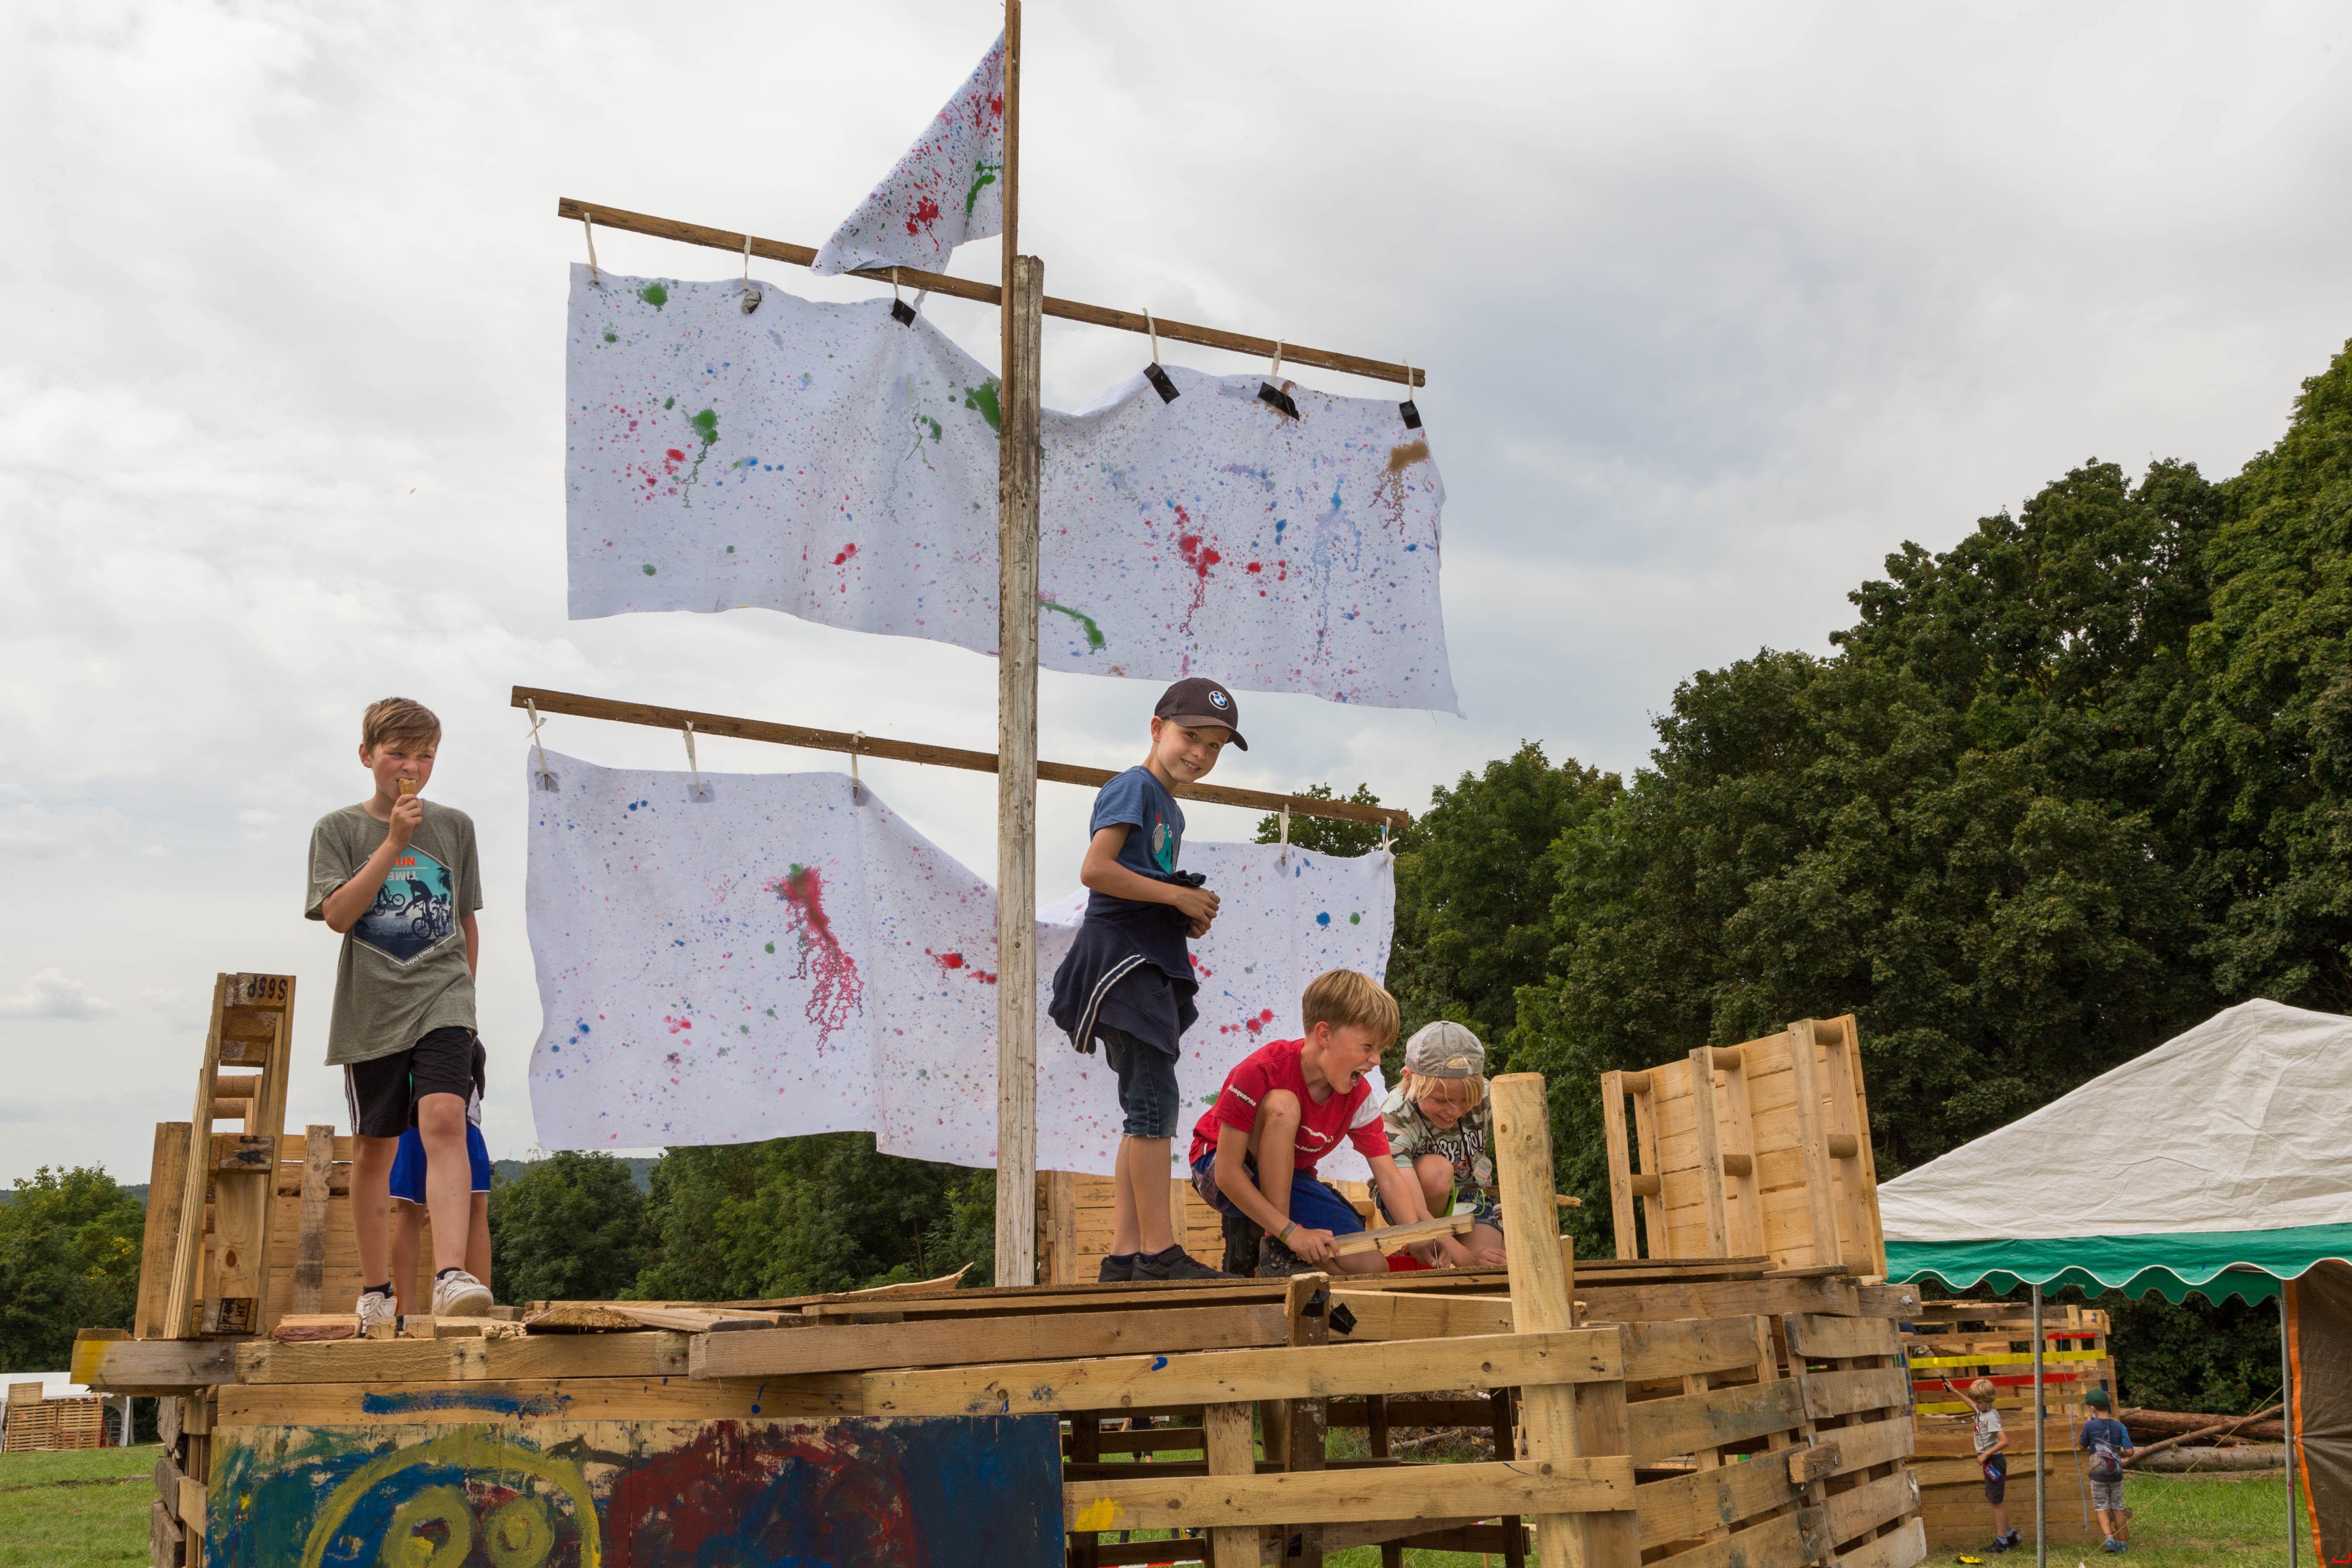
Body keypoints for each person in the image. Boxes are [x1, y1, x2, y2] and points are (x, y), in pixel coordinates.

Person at [307, 697, 494, 1331]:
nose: (411, 767)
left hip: (444, 996)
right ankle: (376, 1290)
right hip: (373, 1007)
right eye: (397, 754)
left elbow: (465, 919)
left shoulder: (457, 826)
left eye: (425, 755)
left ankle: (450, 1275)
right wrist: (394, 842)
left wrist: (466, 1000)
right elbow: (338, 916)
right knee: (373, 1149)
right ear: (367, 756)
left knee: (444, 1119)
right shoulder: (338, 829)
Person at [1047, 677, 1239, 1281]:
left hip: (1142, 960)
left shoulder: (1170, 809)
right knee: (1154, 1107)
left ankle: (1124, 1256)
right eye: (1190, 736)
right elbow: (1096, 870)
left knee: (1142, 1110)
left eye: (1214, 746)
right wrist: (1174, 897)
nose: (1199, 753)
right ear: (1157, 729)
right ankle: (1160, 1254)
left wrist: (1180, 910)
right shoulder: (1133, 787)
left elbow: (1138, 884)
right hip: (1121, 964)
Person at [1186, 969, 1430, 1278]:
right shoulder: (1261, 1069)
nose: (1377, 1060)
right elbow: (1226, 1174)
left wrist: (1417, 1237)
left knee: (1370, 1268)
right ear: (1325, 1035)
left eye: (1381, 1050)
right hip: (1217, 1167)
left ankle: (1266, 1238)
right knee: (1283, 1105)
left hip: (1288, 1179)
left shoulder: (1359, 1096)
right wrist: (1289, 1233)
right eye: (1368, 1046)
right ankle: (1274, 1245)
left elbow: (1389, 1177)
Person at [1373, 1021, 1509, 1268]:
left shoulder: (1488, 1096)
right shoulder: (1395, 1115)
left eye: (1465, 1100)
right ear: (1409, 1079)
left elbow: (1523, 1146)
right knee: (1435, 1171)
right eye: (1442, 1100)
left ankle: (1491, 1225)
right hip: (1410, 1201)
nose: (1454, 1111)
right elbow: (1412, 1205)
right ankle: (1421, 1245)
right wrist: (1464, 1258)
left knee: (1489, 1265)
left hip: (1469, 1195)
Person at [388, 1069, 494, 1317]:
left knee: (476, 1200)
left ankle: (480, 1308)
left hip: (460, 1094)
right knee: (410, 1206)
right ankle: (408, 1312)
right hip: (413, 1091)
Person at [1941, 1376, 2019, 1554]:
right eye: (1975, 1401)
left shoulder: (1991, 1417)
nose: (1975, 1405)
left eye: (1979, 1402)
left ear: (1989, 1401)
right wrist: (1954, 1391)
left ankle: (2002, 1543)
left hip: (1994, 1462)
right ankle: (2011, 1535)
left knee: (1996, 1502)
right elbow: (1972, 1404)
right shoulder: (1982, 1410)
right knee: (1995, 1500)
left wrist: (1986, 1454)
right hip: (1989, 1461)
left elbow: (2005, 1441)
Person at [2078, 1387, 2137, 1553]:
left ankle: (2109, 1539)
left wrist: (2088, 1422)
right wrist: (2117, 1453)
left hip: (2098, 1476)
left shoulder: (2090, 1425)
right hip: (2116, 1476)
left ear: (2092, 1408)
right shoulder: (2120, 1426)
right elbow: (2130, 1452)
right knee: (2118, 1508)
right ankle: (2123, 1543)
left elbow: (2082, 1446)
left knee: (2102, 1508)